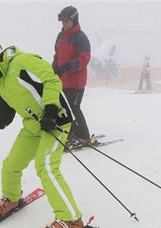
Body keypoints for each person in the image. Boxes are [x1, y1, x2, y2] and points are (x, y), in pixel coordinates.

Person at [0, 38, 85, 228]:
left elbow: (52, 80)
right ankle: (11, 198)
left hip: (56, 120)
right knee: (11, 164)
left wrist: (50, 111)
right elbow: (3, 118)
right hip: (34, 126)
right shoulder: (1, 84)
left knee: (45, 166)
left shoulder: (23, 61)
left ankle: (71, 220)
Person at [52, 5, 96, 147]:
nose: (63, 24)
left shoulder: (80, 37)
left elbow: (85, 58)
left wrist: (69, 65)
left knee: (74, 107)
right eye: (62, 21)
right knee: (65, 108)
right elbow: (57, 55)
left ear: (74, 20)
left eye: (66, 21)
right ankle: (72, 133)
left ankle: (84, 135)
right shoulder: (60, 37)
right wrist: (55, 67)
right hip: (63, 80)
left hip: (76, 82)